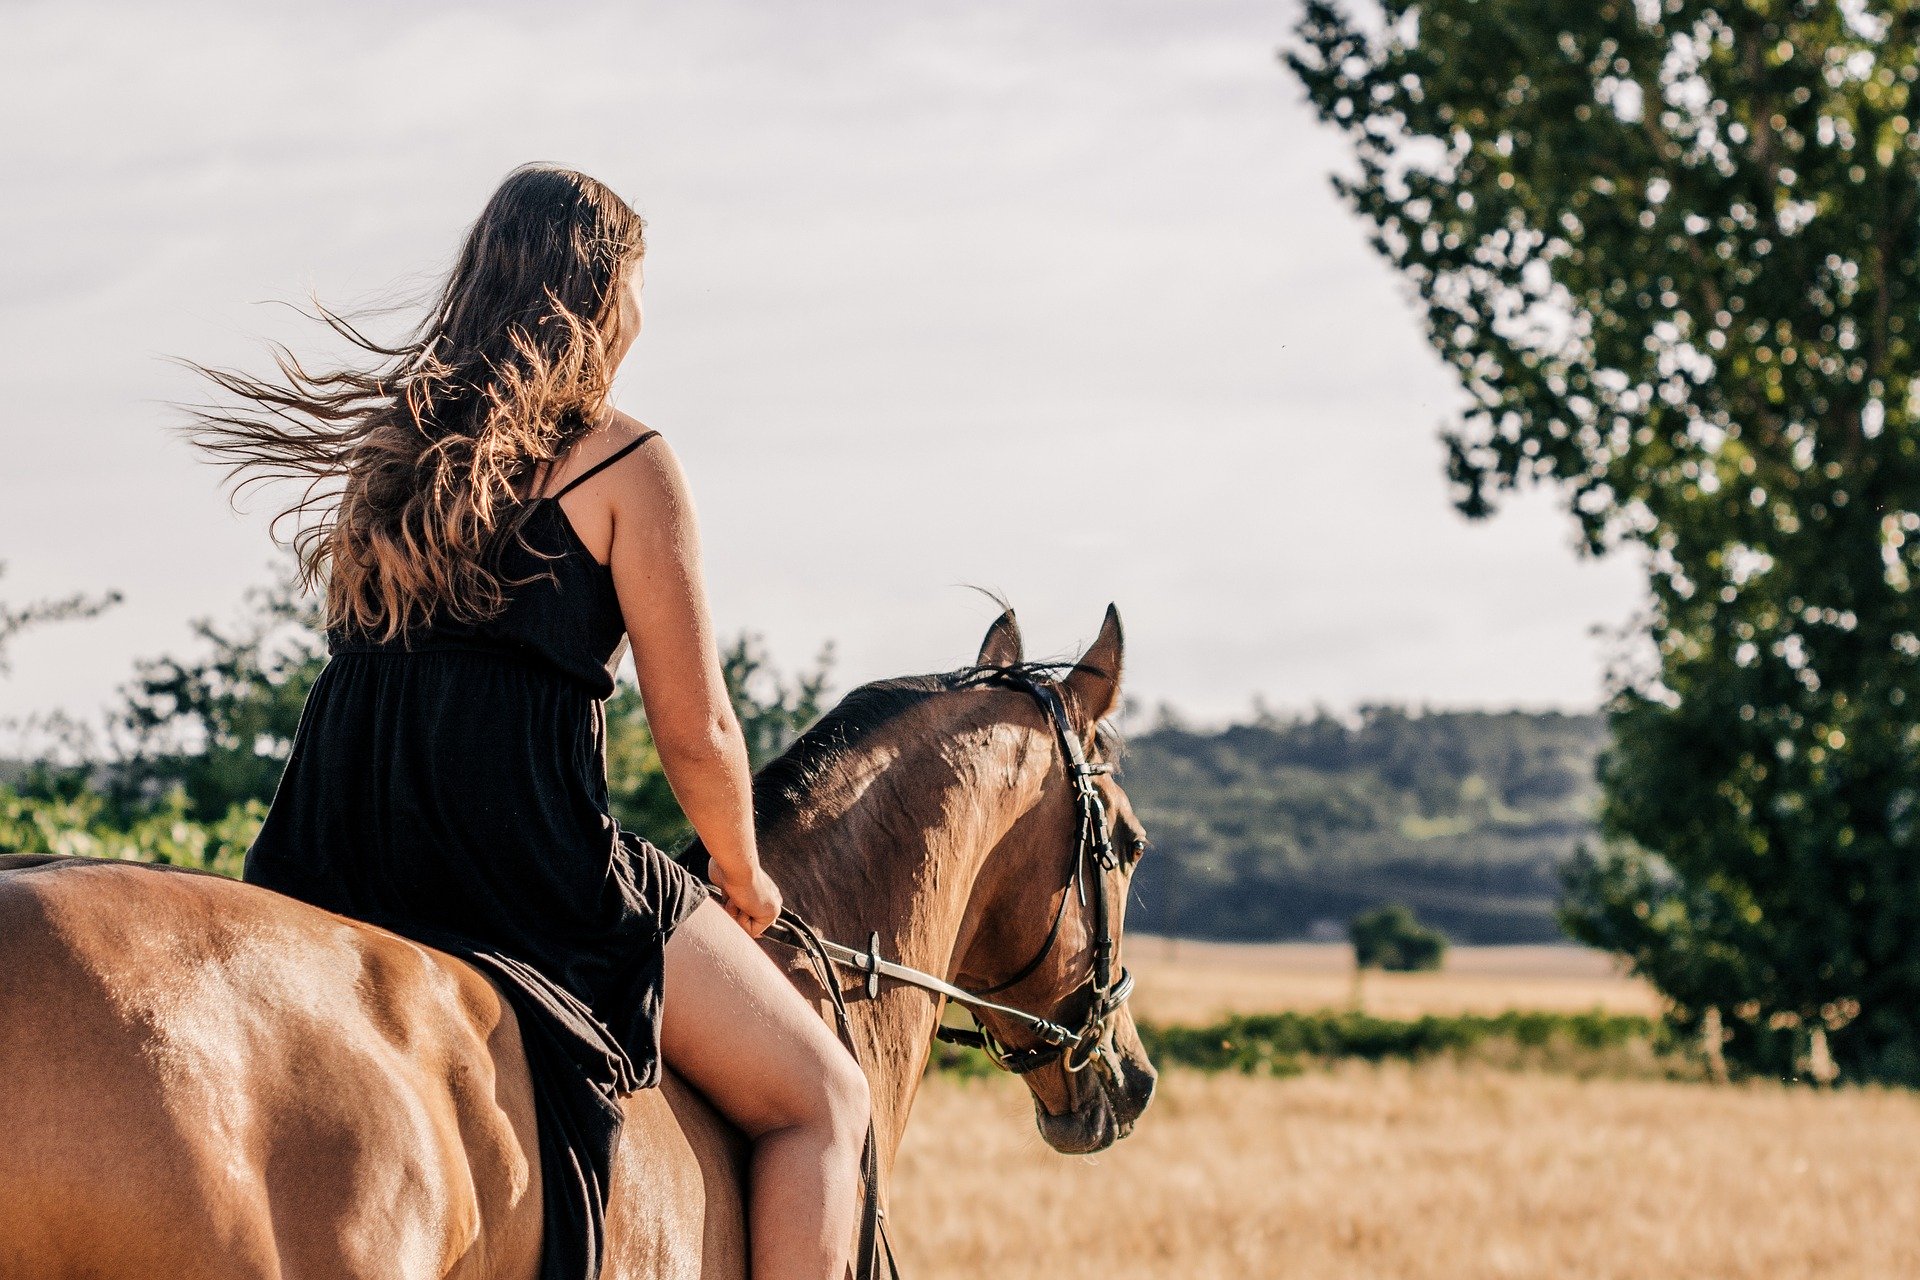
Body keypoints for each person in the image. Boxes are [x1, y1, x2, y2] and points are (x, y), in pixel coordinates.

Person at [186, 163, 870, 1280]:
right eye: (638, 284)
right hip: (519, 862)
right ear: (601, 292)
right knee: (824, 1099)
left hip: (338, 844)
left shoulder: (392, 446)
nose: (642, 312)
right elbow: (696, 731)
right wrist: (746, 876)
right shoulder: (623, 458)